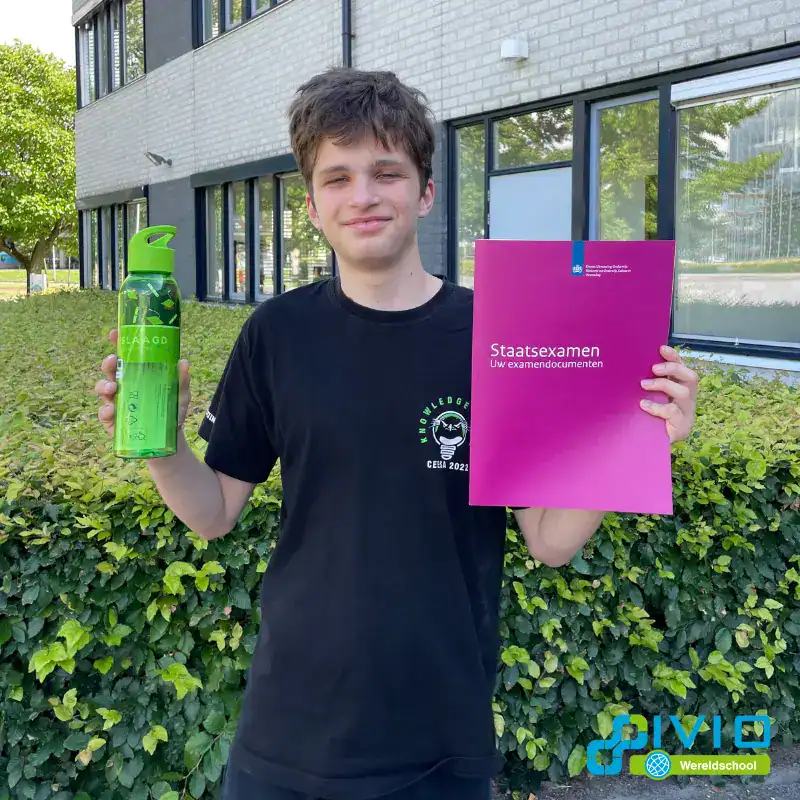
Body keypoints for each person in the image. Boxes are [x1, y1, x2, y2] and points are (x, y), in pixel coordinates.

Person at [94, 68, 700, 800]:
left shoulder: (499, 331)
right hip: (288, 737)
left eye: (386, 171)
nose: (364, 195)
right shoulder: (277, 334)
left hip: (441, 739)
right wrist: (158, 440)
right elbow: (213, 512)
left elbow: (550, 540)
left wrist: (636, 436)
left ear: (425, 192)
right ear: (312, 204)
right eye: (338, 177)